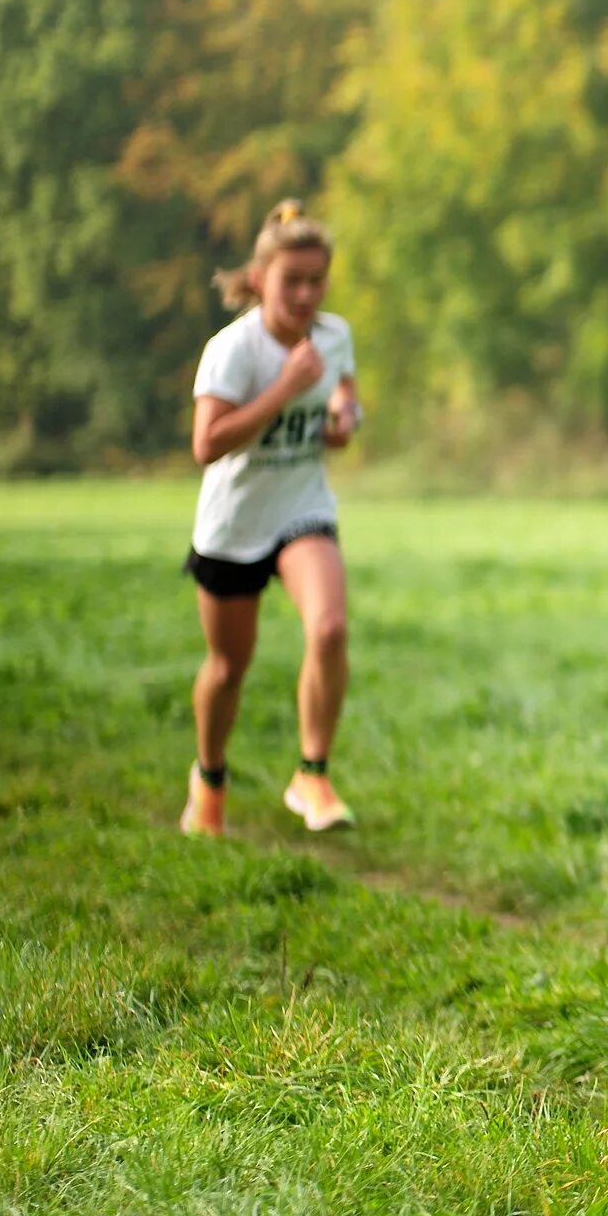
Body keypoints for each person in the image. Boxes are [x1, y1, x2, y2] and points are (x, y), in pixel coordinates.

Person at [177, 200, 363, 839]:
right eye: (294, 280)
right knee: (229, 667)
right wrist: (284, 388)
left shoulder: (334, 336)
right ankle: (209, 778)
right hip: (233, 523)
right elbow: (206, 444)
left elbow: (343, 399)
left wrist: (343, 418)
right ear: (260, 279)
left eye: (318, 280)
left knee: (331, 627)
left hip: (302, 507)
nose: (307, 294)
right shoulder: (233, 350)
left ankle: (311, 774)